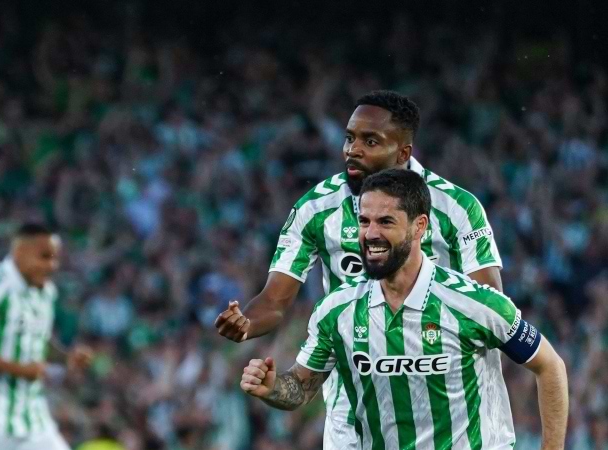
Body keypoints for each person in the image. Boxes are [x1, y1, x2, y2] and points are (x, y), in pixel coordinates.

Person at [215, 90, 505, 447]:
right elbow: (275, 300)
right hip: (357, 396)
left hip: (447, 391)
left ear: (403, 153)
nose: (353, 149)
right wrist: (247, 323)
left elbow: (493, 306)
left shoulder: (457, 208)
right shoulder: (316, 209)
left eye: (370, 140)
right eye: (349, 138)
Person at [239, 169, 569, 449]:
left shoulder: (474, 303)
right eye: (364, 221)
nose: (371, 234)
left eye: (385, 222)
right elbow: (300, 388)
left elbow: (549, 366)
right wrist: (272, 389)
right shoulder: (336, 311)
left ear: (419, 226)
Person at [0, 223, 87, 450]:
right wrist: (20, 370)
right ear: (20, 253)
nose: (52, 266)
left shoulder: (46, 292)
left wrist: (65, 357)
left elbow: (36, 342)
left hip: (33, 421)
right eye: (44, 257)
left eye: (55, 258)